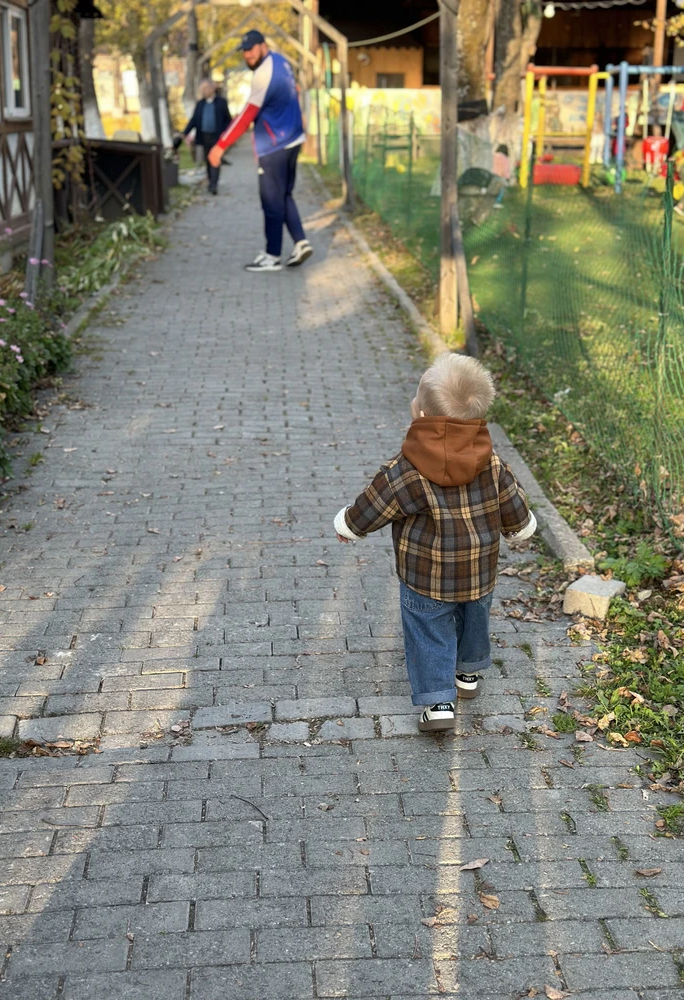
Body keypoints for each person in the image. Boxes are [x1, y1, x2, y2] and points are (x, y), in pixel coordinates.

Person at [333, 353, 537, 733]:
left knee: (428, 630)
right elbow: (514, 505)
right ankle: (468, 675)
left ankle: (438, 701)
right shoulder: (491, 463)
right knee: (474, 618)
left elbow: (373, 504)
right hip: (478, 570)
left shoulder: (405, 468)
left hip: (424, 576)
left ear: (422, 415)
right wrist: (522, 527)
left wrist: (348, 525)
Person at [208, 30, 313, 272]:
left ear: (262, 46)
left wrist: (220, 146)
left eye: (251, 49)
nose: (248, 55)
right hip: (293, 139)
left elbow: (246, 115)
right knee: (284, 195)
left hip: (274, 145)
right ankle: (301, 242)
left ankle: (272, 255)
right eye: (245, 51)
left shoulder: (263, 74)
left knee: (271, 201)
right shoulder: (282, 62)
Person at [182, 80, 232, 195]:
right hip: (204, 136)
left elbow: (227, 120)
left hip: (217, 136)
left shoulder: (221, 103)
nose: (203, 91)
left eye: (205, 88)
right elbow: (194, 120)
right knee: (207, 159)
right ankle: (210, 181)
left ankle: (214, 184)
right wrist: (185, 133)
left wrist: (226, 135)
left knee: (215, 159)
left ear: (212, 88)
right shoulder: (200, 104)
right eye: (202, 89)